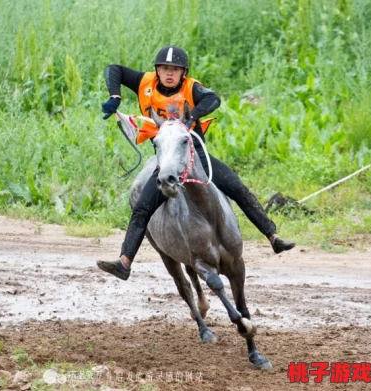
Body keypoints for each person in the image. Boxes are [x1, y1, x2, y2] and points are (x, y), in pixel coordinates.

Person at [97, 45, 295, 281]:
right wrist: (115, 95)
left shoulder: (193, 87)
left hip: (197, 159)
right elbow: (114, 69)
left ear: (184, 73)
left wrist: (192, 116)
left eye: (175, 69)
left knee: (238, 189)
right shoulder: (144, 82)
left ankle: (273, 237)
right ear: (157, 71)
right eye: (164, 68)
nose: (169, 73)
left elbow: (214, 98)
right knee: (141, 208)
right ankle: (124, 262)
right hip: (167, 162)